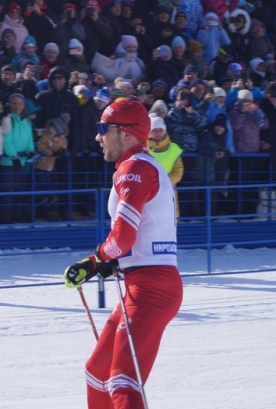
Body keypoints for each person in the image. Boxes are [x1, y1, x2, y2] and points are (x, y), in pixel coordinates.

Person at [64, 99, 183, 409]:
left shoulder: (135, 168)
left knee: (122, 381)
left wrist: (97, 259)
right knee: (97, 372)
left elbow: (123, 238)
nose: (98, 137)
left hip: (151, 288)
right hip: (143, 282)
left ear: (125, 133)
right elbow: (138, 238)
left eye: (103, 129)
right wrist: (110, 262)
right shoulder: (141, 165)